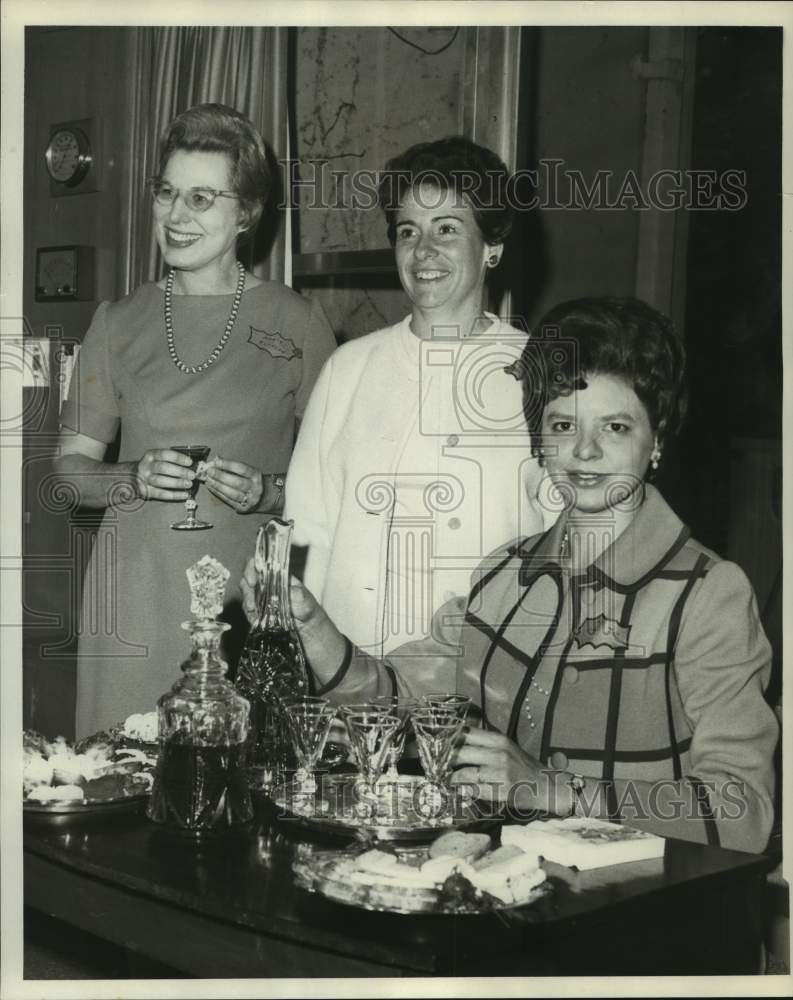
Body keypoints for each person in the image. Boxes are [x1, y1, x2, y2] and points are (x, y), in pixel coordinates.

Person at [260, 297, 778, 852]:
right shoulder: (504, 576)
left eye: (616, 427)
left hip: (645, 915)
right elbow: (396, 703)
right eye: (563, 424)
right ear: (540, 439)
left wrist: (551, 787)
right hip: (511, 896)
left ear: (657, 442)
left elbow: (741, 808)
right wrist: (313, 628)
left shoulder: (705, 592)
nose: (584, 450)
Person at [55, 103, 336, 738]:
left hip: (246, 604)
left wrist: (267, 491)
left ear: (247, 213)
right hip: (132, 596)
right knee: (116, 783)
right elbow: (70, 473)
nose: (177, 216)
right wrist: (134, 472)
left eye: (202, 197)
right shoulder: (117, 321)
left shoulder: (300, 323)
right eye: (167, 193)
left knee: (236, 797)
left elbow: (337, 488)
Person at [282, 136, 547, 658]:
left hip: (483, 674)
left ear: (492, 246)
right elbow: (306, 528)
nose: (423, 251)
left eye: (447, 229)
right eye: (408, 232)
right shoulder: (348, 368)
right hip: (349, 676)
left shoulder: (540, 370)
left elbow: (564, 536)